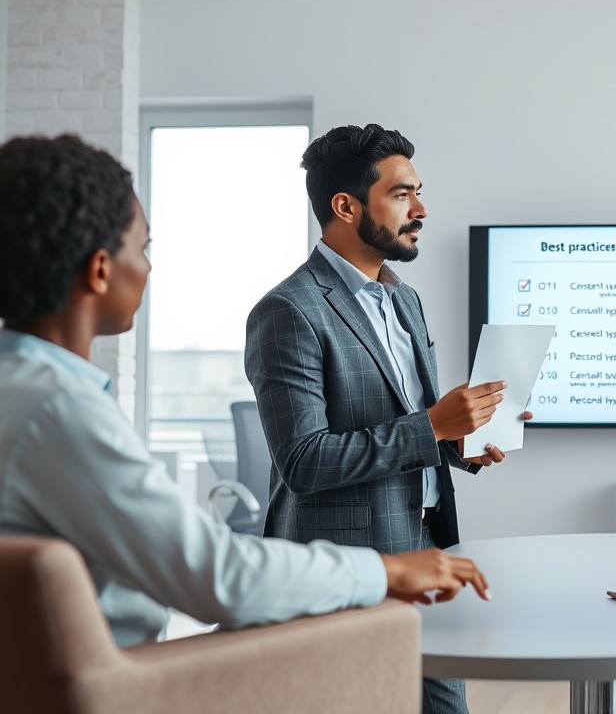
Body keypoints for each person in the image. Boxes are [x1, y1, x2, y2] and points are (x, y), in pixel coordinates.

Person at [0, 134, 491, 651]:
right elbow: (213, 572)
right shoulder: (61, 410)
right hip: (140, 670)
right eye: (143, 248)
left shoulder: (29, 392)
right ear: (100, 269)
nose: (148, 267)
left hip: (424, 539)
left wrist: (449, 438)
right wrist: (385, 570)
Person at [245, 124, 522, 714]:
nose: (420, 209)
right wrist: (434, 427)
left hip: (425, 546)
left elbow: (409, 424)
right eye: (401, 194)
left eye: (418, 192)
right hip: (345, 565)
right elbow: (304, 462)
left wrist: (460, 441)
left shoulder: (403, 299)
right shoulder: (288, 310)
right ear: (346, 207)